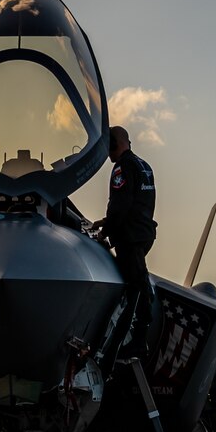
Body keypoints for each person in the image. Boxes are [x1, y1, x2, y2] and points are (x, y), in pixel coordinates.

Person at [94, 125, 157, 361]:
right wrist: (106, 221)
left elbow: (120, 205)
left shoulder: (122, 168)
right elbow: (140, 204)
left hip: (129, 238)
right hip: (143, 234)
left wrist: (105, 232)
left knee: (136, 288)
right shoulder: (144, 166)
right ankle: (135, 340)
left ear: (114, 143)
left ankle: (137, 341)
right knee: (138, 284)